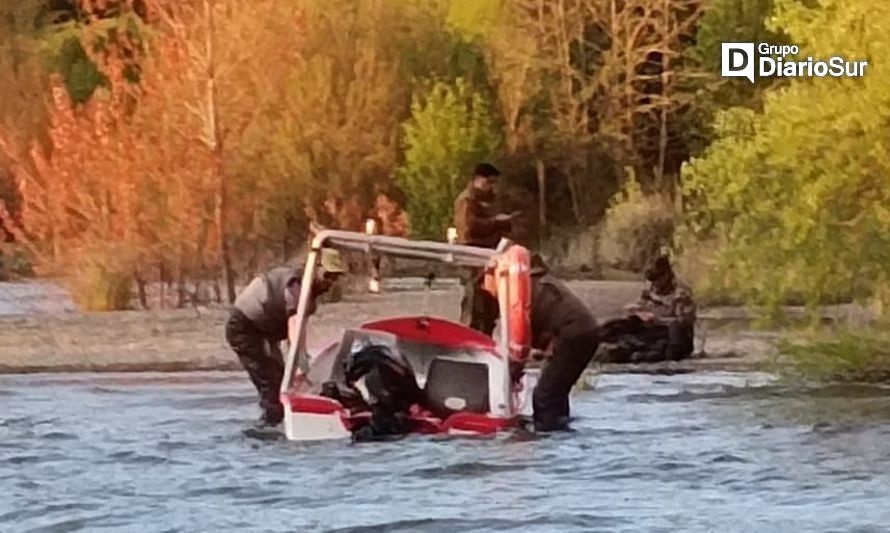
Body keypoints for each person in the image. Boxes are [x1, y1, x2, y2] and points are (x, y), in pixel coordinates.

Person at [225, 249, 346, 427]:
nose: (330, 282)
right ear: (315, 268)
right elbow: (294, 325)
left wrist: (298, 362)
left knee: (281, 379)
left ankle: (277, 420)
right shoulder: (296, 288)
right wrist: (302, 365)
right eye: (328, 275)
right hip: (245, 327)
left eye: (335, 277)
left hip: (263, 331)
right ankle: (270, 428)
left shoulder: (307, 295)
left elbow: (296, 335)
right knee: (271, 382)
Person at [514, 254, 600, 432]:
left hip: (573, 334)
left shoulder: (530, 288)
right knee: (556, 393)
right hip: (586, 331)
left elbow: (526, 328)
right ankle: (561, 432)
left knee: (545, 396)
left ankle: (550, 435)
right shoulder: (545, 283)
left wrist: (515, 369)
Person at [452, 162, 518, 335]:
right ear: (478, 180)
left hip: (490, 257)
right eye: (489, 182)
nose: (492, 187)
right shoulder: (467, 200)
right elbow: (469, 227)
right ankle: (467, 337)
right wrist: (496, 222)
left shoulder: (491, 201)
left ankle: (486, 336)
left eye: (494, 183)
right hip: (471, 256)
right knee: (474, 301)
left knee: (490, 303)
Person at [599, 255, 697, 363]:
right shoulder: (650, 289)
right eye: (652, 279)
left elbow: (684, 322)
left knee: (673, 332)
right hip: (651, 329)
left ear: (667, 275)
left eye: (657, 279)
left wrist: (657, 319)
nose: (655, 283)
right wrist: (638, 311)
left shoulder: (682, 292)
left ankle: (659, 353)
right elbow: (643, 306)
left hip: (672, 335)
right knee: (616, 325)